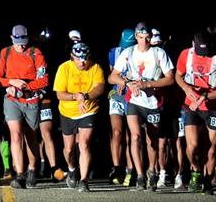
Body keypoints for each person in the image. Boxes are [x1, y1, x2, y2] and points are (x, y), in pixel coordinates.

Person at [108, 22, 175, 191]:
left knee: (151, 140)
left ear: (151, 38)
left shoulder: (159, 53)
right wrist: (127, 83)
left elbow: (170, 78)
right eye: (140, 38)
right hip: (134, 101)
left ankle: (151, 171)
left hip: (153, 102)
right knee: (136, 136)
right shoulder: (128, 53)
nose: (144, 41)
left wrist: (149, 84)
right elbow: (112, 77)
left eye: (147, 38)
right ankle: (139, 175)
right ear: (136, 37)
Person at [175, 31, 216, 194]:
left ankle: (207, 181)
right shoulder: (186, 55)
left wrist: (206, 96)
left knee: (211, 147)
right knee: (192, 146)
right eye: (201, 52)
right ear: (194, 44)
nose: (204, 56)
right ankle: (196, 170)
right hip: (192, 105)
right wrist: (186, 88)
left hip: (213, 106)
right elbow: (178, 76)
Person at [0, 25, 49, 188]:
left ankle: (32, 170)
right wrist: (10, 82)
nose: (21, 45)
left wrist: (26, 86)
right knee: (16, 135)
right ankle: (19, 174)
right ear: (12, 38)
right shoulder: (5, 52)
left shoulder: (36, 53)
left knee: (30, 136)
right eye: (18, 42)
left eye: (24, 42)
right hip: (12, 99)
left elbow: (44, 80)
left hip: (31, 100)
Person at [54, 42, 105, 192]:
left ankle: (84, 180)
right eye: (78, 59)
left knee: (84, 143)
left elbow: (100, 87)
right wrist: (76, 96)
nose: (82, 62)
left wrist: (86, 96)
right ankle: (71, 168)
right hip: (67, 111)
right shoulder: (64, 68)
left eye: (85, 58)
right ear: (72, 57)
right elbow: (59, 94)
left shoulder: (95, 67)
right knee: (69, 149)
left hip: (88, 110)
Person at [107, 29, 137, 185]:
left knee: (132, 134)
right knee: (117, 132)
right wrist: (120, 80)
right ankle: (117, 167)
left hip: (134, 95)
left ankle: (131, 170)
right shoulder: (113, 52)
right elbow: (111, 75)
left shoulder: (140, 53)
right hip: (117, 95)